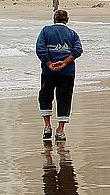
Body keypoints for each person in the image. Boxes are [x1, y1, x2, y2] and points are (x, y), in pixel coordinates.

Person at [35, 9, 83, 141]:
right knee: (64, 99)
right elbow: (78, 50)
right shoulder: (72, 34)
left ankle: (47, 125)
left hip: (48, 71)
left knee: (45, 96)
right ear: (67, 20)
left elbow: (40, 48)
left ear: (54, 19)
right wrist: (65, 62)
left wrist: (49, 63)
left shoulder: (45, 31)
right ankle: (60, 130)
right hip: (67, 72)